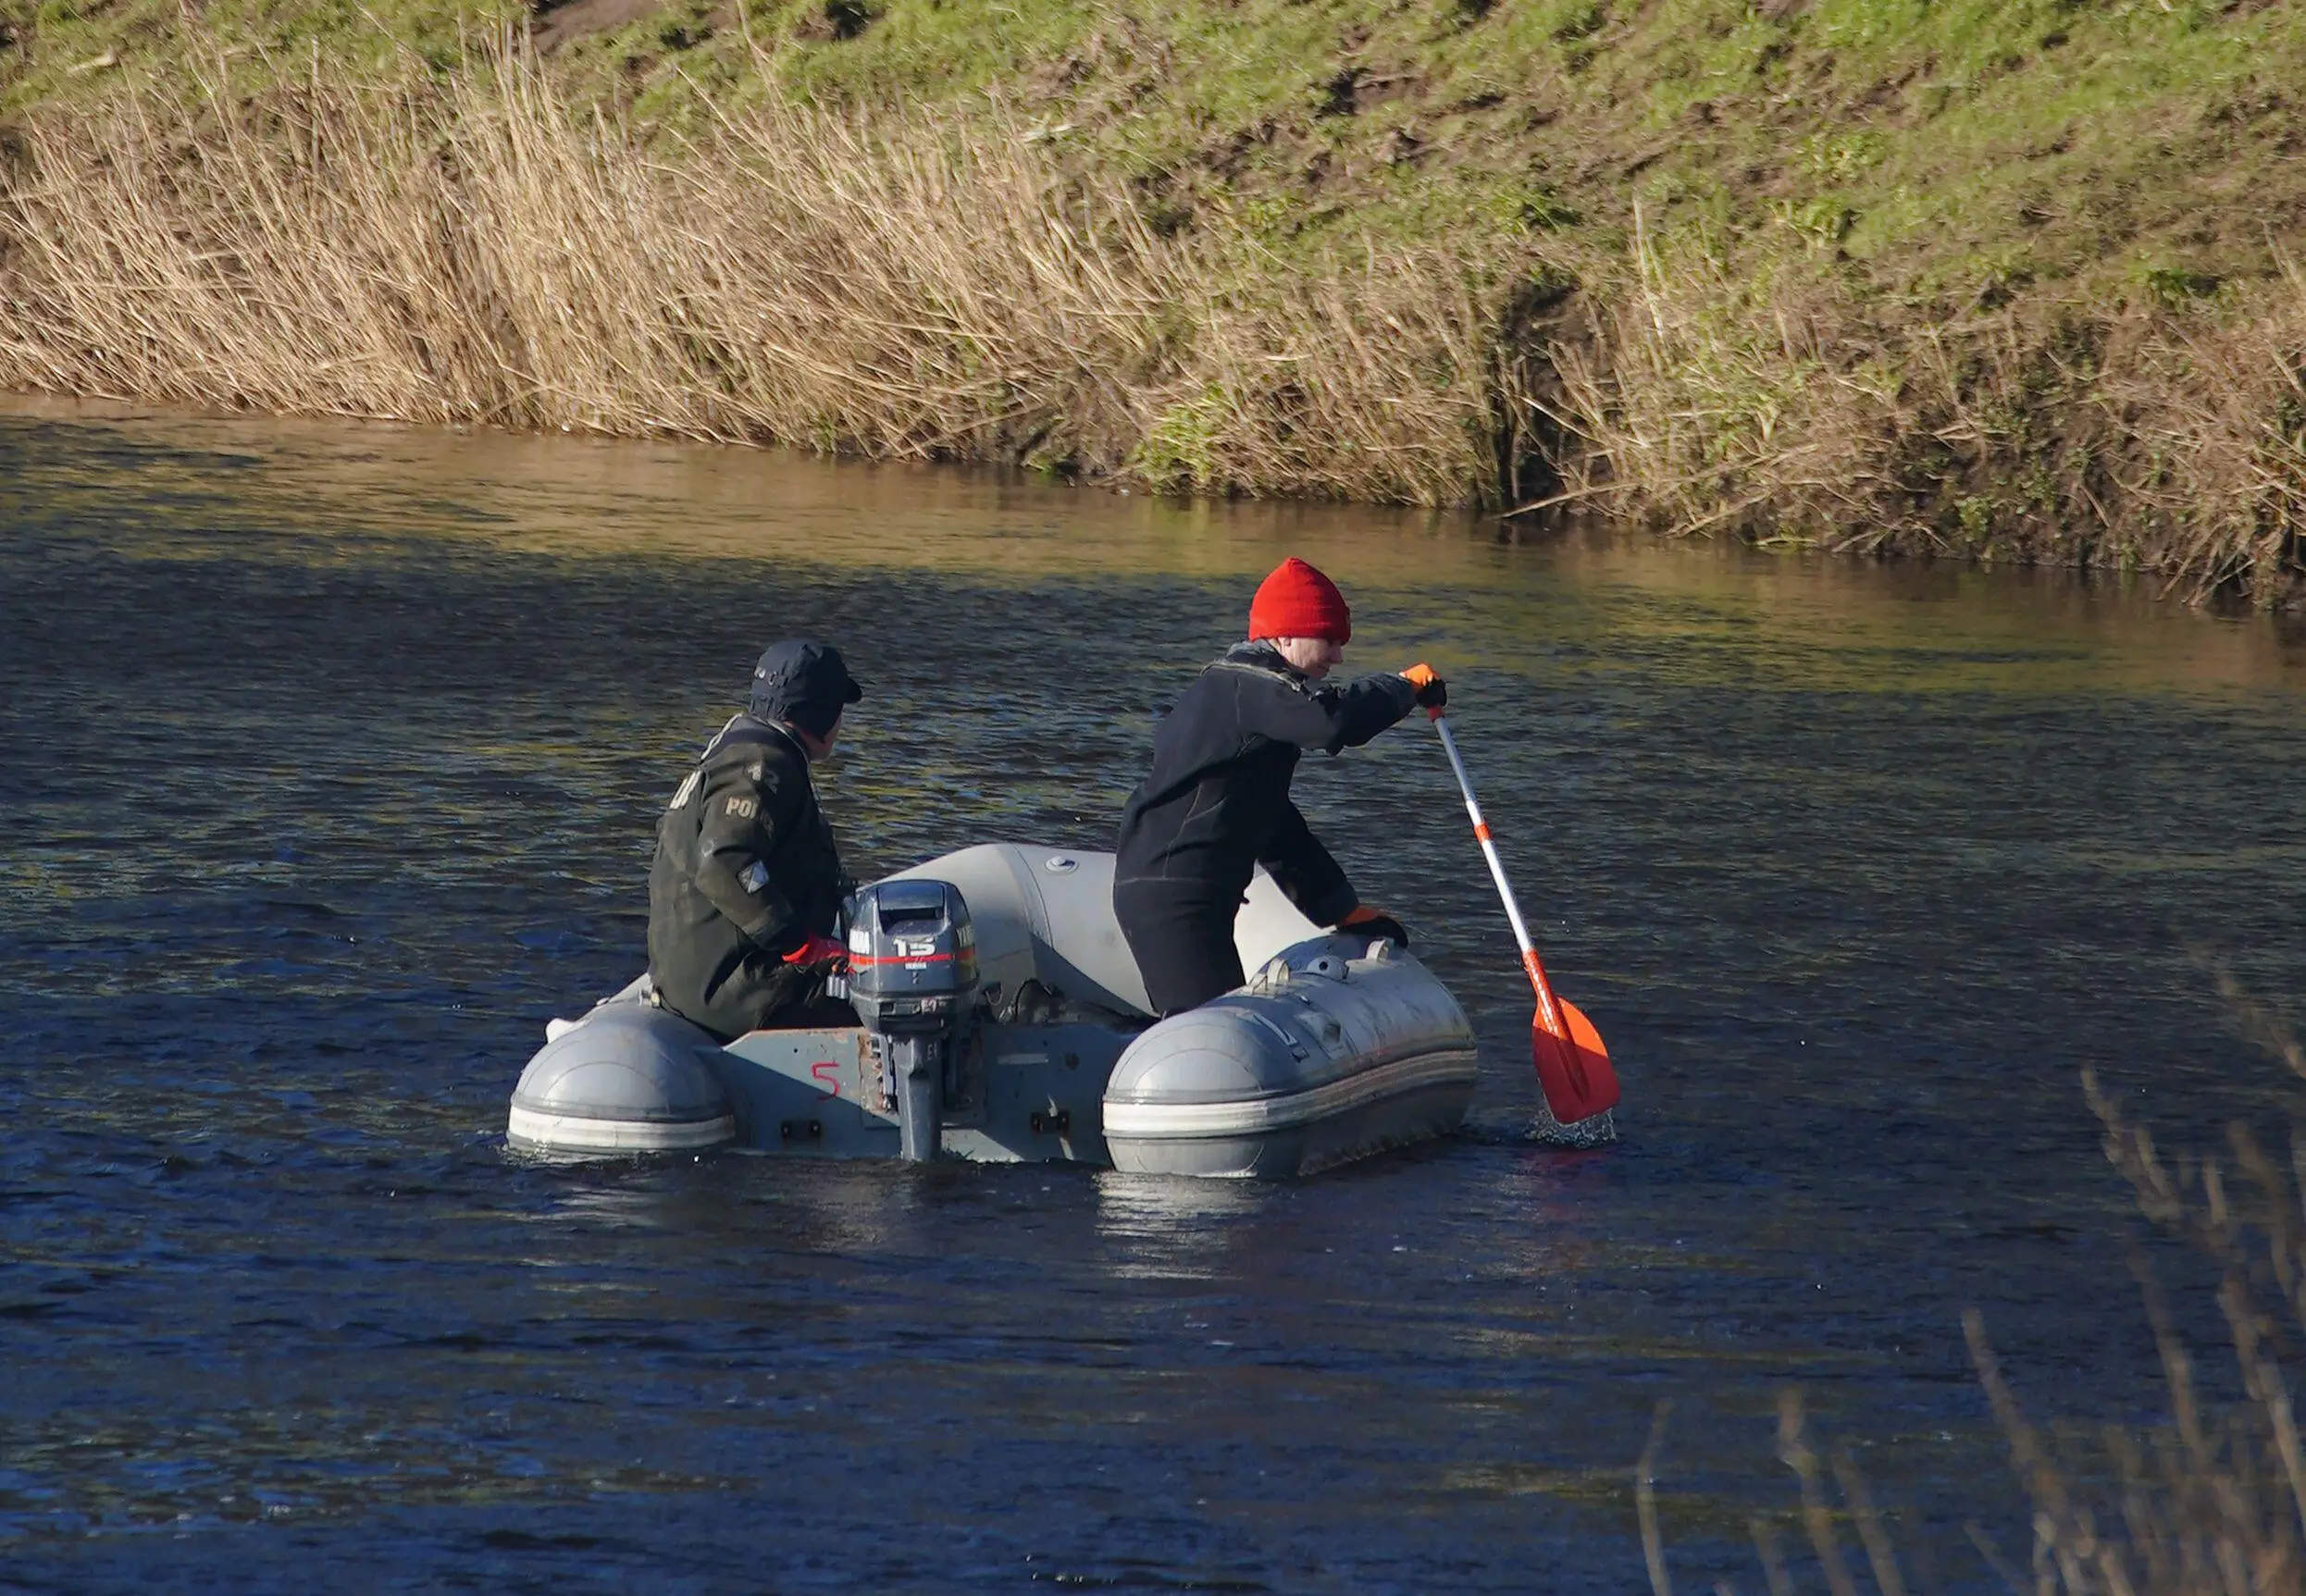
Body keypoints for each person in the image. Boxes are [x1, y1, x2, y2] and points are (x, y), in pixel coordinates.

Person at [1112, 557, 1448, 1016]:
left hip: (1186, 891)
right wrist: (1400, 688)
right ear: (1286, 635)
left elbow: (1274, 828)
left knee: (1221, 1022)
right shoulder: (1248, 686)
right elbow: (1332, 721)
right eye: (1328, 640)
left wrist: (1340, 911)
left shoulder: (1254, 707)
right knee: (1214, 1032)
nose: (1338, 656)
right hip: (1172, 893)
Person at [646, 640, 863, 1041]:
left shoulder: (738, 750)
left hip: (705, 978)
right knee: (905, 1012)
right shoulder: (761, 765)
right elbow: (725, 860)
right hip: (736, 991)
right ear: (820, 710)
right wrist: (801, 946)